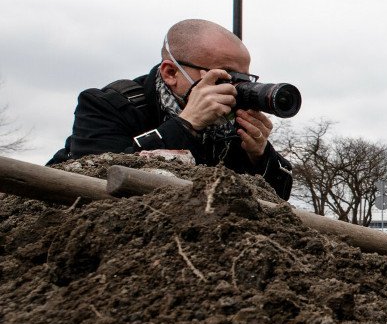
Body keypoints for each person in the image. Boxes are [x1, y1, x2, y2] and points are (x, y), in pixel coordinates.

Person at [49, 19, 293, 200]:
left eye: (243, 78)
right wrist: (186, 124)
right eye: (224, 75)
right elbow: (96, 181)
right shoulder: (108, 104)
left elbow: (278, 200)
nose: (235, 87)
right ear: (171, 73)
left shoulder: (229, 122)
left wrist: (259, 156)